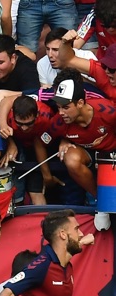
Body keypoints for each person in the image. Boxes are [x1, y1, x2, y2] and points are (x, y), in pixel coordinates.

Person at [48, 78, 116, 230]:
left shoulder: (107, 111)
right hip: (88, 155)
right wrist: (62, 140)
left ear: (80, 103)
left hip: (112, 156)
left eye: (65, 107)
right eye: (58, 107)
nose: (60, 112)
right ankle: (101, 201)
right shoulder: (59, 122)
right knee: (71, 159)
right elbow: (41, 140)